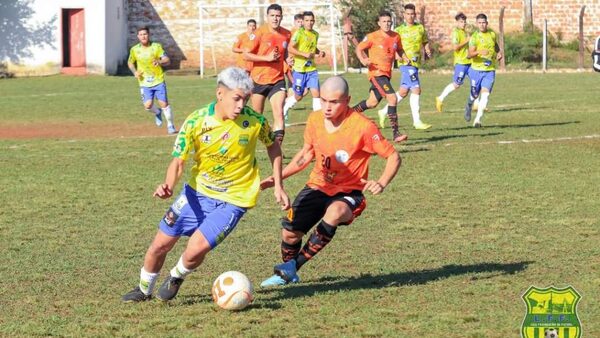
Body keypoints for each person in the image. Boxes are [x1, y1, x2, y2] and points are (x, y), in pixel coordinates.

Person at [121, 67, 290, 303]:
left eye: (245, 99)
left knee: (195, 249)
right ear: (220, 93)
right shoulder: (197, 121)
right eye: (237, 98)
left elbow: (273, 146)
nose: (241, 105)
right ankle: (143, 290)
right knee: (160, 245)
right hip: (196, 194)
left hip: (234, 200)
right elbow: (178, 161)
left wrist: (278, 184)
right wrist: (168, 184)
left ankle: (176, 276)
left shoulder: (255, 122)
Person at [259, 76, 402, 287]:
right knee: (289, 234)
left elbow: (393, 156)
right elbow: (306, 154)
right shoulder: (315, 120)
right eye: (324, 100)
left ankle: (293, 267)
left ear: (348, 100)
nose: (327, 107)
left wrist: (381, 182)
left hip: (349, 192)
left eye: (334, 102)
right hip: (318, 185)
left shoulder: (362, 127)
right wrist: (278, 177)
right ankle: (287, 272)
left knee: (335, 213)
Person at [353, 11, 408, 143]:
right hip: (376, 73)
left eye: (389, 21)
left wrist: (404, 57)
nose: (387, 24)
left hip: (386, 74)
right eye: (384, 21)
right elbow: (359, 49)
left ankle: (349, 113)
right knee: (392, 98)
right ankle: (396, 133)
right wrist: (363, 60)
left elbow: (399, 49)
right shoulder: (372, 36)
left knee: (372, 102)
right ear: (379, 23)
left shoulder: (396, 36)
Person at [377, 4, 432, 131]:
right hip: (406, 64)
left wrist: (427, 49)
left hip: (415, 63)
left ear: (415, 15)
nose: (410, 16)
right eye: (407, 14)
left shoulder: (420, 28)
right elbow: (393, 46)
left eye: (412, 14)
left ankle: (383, 111)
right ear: (404, 15)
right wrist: (398, 56)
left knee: (403, 92)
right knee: (416, 90)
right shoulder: (398, 30)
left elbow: (425, 41)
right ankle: (417, 121)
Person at [244, 4, 292, 144]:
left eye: (278, 16)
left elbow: (285, 53)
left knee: (279, 114)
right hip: (258, 81)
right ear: (267, 17)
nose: (275, 18)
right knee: (257, 117)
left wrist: (287, 58)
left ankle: (276, 148)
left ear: (281, 17)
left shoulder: (287, 34)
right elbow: (246, 54)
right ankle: (252, 145)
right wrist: (266, 58)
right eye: (272, 16)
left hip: (277, 80)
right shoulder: (259, 33)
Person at [128, 26, 177, 134]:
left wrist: (159, 62)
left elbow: (166, 59)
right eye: (141, 34)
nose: (143, 36)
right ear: (138, 36)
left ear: (148, 35)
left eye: (145, 34)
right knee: (148, 106)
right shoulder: (134, 50)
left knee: (164, 103)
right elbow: (130, 62)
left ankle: (170, 125)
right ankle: (157, 112)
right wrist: (135, 72)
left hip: (158, 80)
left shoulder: (156, 47)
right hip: (144, 82)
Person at [283, 11, 326, 125]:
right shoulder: (298, 33)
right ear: (303, 21)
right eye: (307, 20)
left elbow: (313, 47)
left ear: (314, 21)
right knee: (298, 95)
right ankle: (285, 108)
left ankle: (317, 119)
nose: (309, 23)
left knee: (316, 93)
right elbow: (290, 48)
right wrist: (303, 54)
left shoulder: (315, 34)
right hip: (299, 70)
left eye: (311, 20)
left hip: (311, 69)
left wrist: (319, 51)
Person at [464, 13, 503, 127]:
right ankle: (469, 104)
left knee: (485, 95)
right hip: (476, 70)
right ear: (477, 24)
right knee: (475, 95)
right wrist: (479, 52)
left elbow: (495, 45)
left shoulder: (491, 34)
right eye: (479, 23)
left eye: (483, 23)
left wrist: (499, 52)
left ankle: (477, 120)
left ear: (487, 23)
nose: (482, 25)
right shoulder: (474, 37)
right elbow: (469, 54)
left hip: (489, 70)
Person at [435, 12, 472, 113]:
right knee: (457, 84)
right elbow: (455, 47)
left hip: (470, 61)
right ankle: (440, 98)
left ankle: (476, 104)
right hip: (461, 62)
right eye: (461, 22)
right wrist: (467, 40)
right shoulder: (456, 32)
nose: (463, 23)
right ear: (457, 22)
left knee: (476, 82)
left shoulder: (465, 32)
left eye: (464, 21)